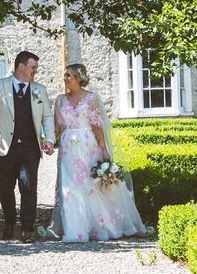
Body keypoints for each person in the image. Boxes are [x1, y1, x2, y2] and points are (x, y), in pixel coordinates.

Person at [45, 63, 150, 242]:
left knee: (91, 186)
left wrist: (103, 149)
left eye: (68, 75)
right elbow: (56, 127)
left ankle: (100, 226)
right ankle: (75, 230)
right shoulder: (60, 100)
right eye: (65, 75)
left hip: (87, 146)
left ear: (79, 78)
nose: (65, 79)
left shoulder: (91, 98)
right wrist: (47, 141)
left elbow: (97, 125)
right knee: (69, 189)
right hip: (67, 150)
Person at [0, 50, 53, 242]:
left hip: (30, 148)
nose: (35, 72)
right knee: (5, 187)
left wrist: (50, 139)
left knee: (28, 186)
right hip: (4, 146)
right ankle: (9, 221)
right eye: (33, 67)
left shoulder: (40, 90)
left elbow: (47, 116)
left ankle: (28, 228)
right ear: (21, 66)